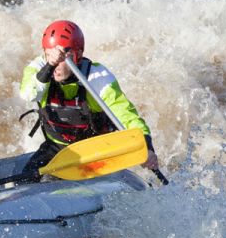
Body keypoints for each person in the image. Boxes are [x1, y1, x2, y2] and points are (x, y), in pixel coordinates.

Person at [19, 19, 158, 176]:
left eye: (63, 57)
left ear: (77, 56)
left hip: (97, 151)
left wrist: (147, 147)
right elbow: (28, 94)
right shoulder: (39, 69)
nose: (56, 63)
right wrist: (49, 65)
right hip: (57, 148)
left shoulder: (97, 78)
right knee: (24, 178)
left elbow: (127, 116)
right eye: (49, 54)